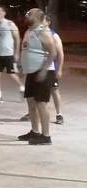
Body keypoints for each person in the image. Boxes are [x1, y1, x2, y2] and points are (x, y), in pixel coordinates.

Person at [17, 9, 56, 145]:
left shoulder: (42, 32)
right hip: (31, 72)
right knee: (31, 103)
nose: (26, 15)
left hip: (42, 72)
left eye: (30, 13)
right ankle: (35, 131)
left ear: (38, 17)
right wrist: (22, 67)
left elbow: (53, 53)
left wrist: (44, 70)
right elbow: (27, 50)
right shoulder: (29, 31)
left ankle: (46, 136)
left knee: (41, 104)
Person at [22, 15, 65, 125]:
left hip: (50, 68)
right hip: (35, 69)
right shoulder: (34, 32)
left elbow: (59, 53)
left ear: (48, 22)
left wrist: (59, 69)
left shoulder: (53, 35)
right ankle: (32, 113)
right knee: (33, 94)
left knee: (54, 90)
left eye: (43, 20)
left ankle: (59, 114)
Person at [0, 5, 23, 104]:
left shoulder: (10, 24)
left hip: (9, 54)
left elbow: (17, 38)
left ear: (4, 13)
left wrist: (17, 53)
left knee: (12, 74)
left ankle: (22, 87)